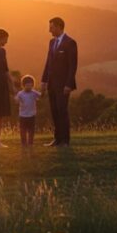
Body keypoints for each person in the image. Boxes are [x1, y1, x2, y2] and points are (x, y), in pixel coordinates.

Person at [41, 16, 77, 147]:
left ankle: (65, 141)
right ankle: (57, 139)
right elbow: (48, 62)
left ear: (59, 26)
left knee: (62, 111)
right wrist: (44, 80)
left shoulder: (70, 43)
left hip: (63, 85)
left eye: (51, 27)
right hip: (51, 84)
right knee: (54, 111)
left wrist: (68, 84)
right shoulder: (52, 42)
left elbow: (73, 66)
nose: (49, 30)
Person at [14, 75, 41, 146]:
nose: (28, 86)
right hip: (22, 115)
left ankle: (30, 143)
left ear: (32, 85)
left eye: (30, 85)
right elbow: (16, 100)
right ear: (23, 85)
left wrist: (44, 90)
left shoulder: (34, 93)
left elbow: (41, 96)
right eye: (27, 85)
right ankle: (23, 143)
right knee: (23, 130)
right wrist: (16, 99)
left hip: (32, 115)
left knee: (31, 130)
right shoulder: (20, 93)